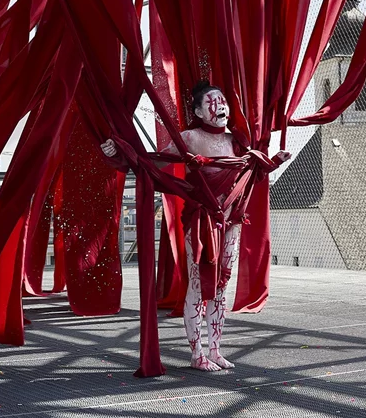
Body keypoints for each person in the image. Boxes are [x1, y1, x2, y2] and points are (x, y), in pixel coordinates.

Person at [100, 80, 288, 371]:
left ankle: (215, 349)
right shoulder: (187, 138)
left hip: (231, 220)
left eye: (222, 100)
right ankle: (196, 353)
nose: (220, 107)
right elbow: (152, 164)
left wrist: (273, 161)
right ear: (198, 111)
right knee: (199, 285)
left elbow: (252, 174)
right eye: (212, 103)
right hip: (201, 222)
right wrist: (118, 152)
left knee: (222, 284)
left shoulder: (236, 140)